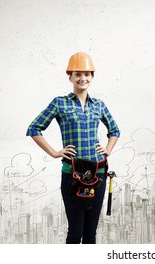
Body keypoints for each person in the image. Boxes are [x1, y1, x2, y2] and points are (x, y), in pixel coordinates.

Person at [26, 52, 120, 244]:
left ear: (92, 77)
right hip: (72, 174)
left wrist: (108, 149)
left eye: (87, 74)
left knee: (91, 233)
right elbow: (34, 128)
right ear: (70, 76)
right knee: (75, 232)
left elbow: (115, 130)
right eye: (77, 74)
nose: (82, 78)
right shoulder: (60, 103)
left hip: (98, 174)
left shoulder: (99, 105)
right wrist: (54, 152)